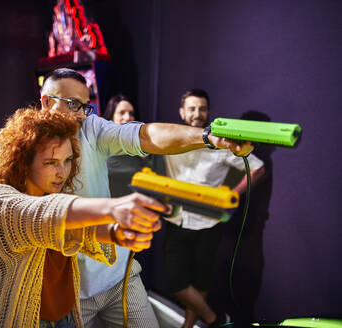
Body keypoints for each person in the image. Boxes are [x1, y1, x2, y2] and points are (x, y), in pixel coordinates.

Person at [39, 69, 253, 328]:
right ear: (47, 101)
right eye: (72, 104)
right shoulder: (25, 146)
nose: (80, 115)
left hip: (118, 276)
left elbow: (144, 135)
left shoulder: (92, 128)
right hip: (68, 290)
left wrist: (207, 137)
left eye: (85, 107)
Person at [0, 108, 165, 327]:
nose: (62, 172)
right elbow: (41, 212)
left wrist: (116, 234)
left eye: (67, 160)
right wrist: (114, 207)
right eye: (51, 162)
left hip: (68, 319)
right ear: (23, 160)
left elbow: (79, 233)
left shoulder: (53, 196)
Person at [162, 89, 266, 327]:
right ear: (182, 112)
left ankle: (188, 326)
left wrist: (231, 194)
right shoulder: (170, 137)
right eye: (191, 108)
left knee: (201, 282)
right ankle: (214, 318)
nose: (197, 113)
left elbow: (257, 168)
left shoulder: (223, 142)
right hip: (176, 218)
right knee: (174, 282)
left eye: (202, 108)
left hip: (209, 222)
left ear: (208, 111)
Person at [104, 94, 166, 198]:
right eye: (122, 113)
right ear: (111, 117)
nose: (128, 117)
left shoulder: (145, 148)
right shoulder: (101, 147)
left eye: (131, 113)